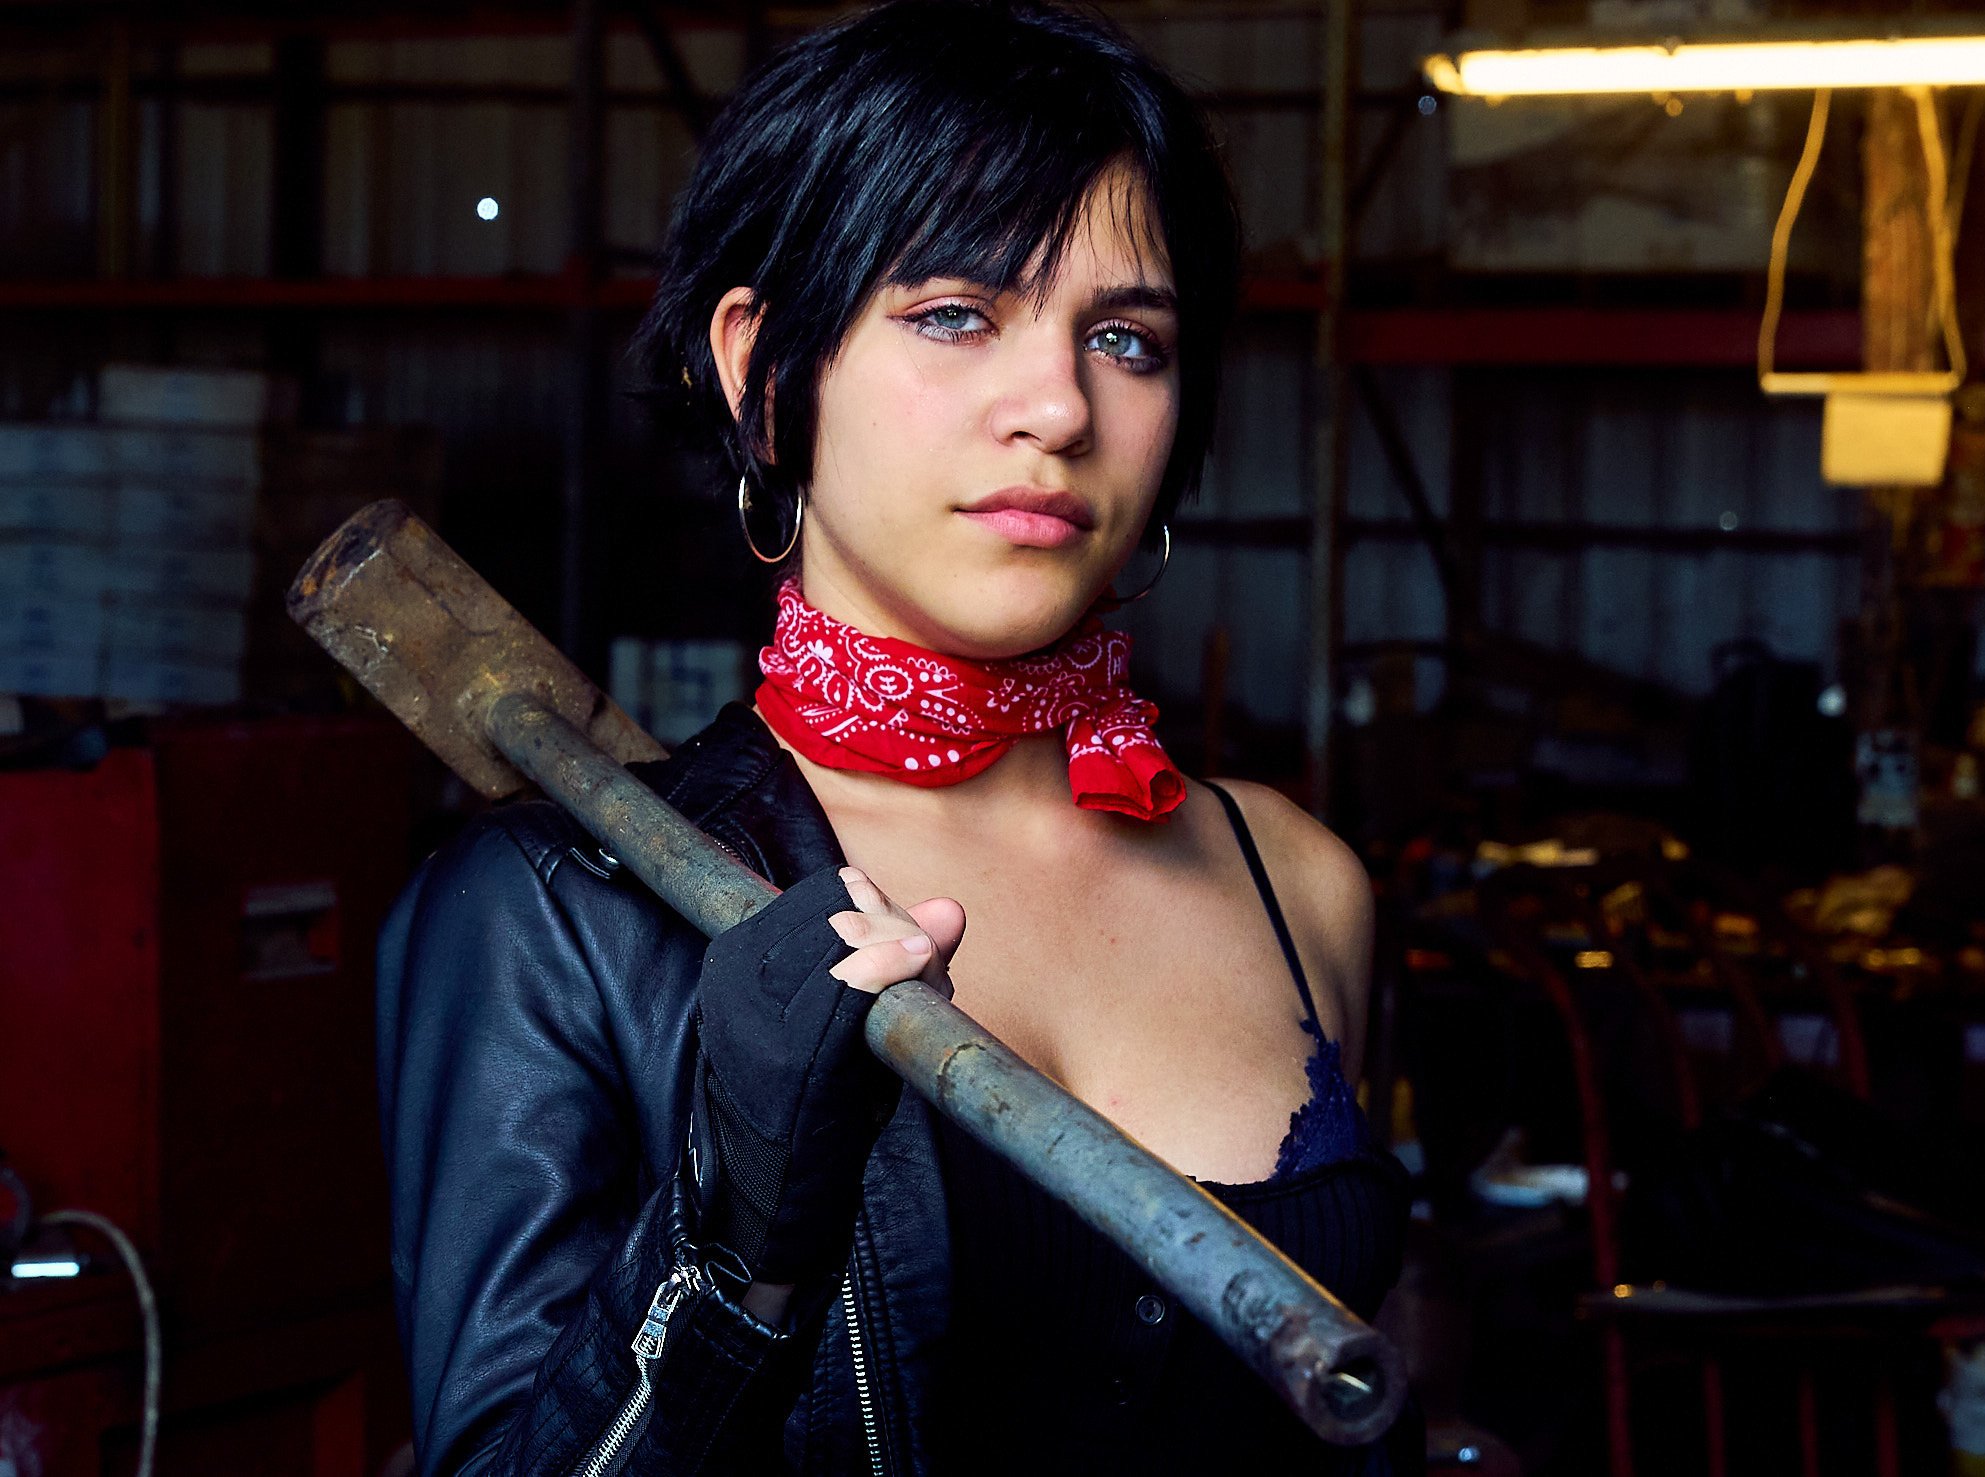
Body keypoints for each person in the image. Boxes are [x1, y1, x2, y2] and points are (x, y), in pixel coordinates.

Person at [375, 2, 1417, 1471]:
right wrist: (734, 1236)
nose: (1057, 405)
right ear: (762, 371)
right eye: (951, 315)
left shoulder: (1297, 880)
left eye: (1125, 339)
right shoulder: (556, 919)